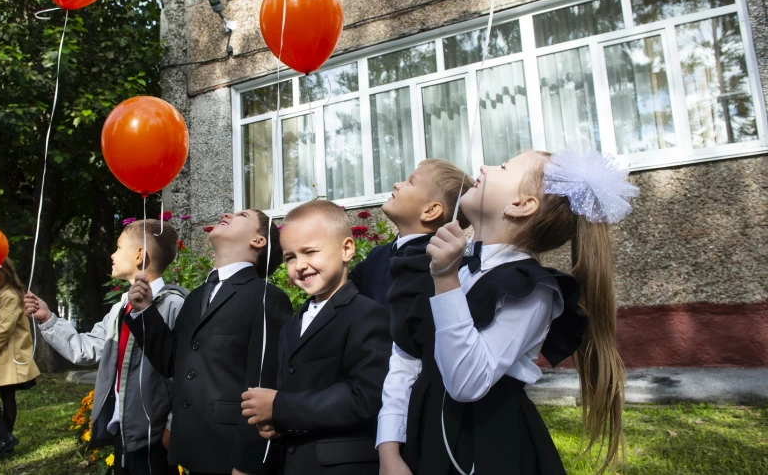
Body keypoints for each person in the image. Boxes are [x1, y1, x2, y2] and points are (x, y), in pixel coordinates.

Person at [380, 150, 637, 475]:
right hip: (424, 436)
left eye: (502, 167)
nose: (483, 168)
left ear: (521, 204)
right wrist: (389, 450)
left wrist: (445, 279)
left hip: (486, 447)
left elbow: (466, 383)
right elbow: (405, 357)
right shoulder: (451, 265)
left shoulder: (533, 289)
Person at [125, 209, 293, 475]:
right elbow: (172, 363)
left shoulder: (267, 298)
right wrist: (145, 311)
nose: (228, 213)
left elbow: (264, 384)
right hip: (195, 450)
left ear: (258, 241)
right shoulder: (195, 298)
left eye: (242, 215)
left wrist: (248, 463)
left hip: (233, 456)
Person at [240, 200, 391, 475]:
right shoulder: (291, 325)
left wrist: (280, 406)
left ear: (347, 249)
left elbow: (366, 397)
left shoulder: (367, 314)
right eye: (290, 257)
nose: (300, 265)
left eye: (310, 252)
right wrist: (276, 422)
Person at [24, 219, 186, 475]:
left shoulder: (174, 306)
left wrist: (172, 427)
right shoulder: (120, 308)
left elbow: (184, 373)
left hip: (155, 437)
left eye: (119, 247)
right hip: (125, 430)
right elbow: (86, 348)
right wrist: (48, 319)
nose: (112, 254)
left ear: (139, 255)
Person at [350, 160, 474, 307]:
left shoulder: (437, 264)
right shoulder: (377, 255)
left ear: (430, 211)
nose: (396, 184)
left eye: (410, 182)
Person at [0, 257, 41, 461]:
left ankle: (5, 439)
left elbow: (4, 330)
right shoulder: (4, 294)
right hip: (6, 353)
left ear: (2, 272)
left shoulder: (9, 295)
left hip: (8, 354)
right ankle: (5, 441)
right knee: (6, 394)